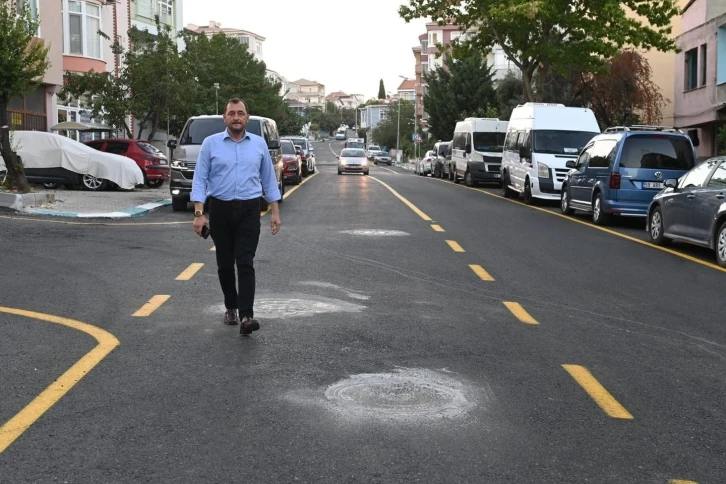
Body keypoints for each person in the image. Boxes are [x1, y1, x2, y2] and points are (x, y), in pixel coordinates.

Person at [191, 98, 282, 336]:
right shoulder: (211, 144)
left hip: (250, 210)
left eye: (240, 113)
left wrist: (275, 211)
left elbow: (269, 179)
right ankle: (230, 306)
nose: (236, 117)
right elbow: (200, 179)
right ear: (225, 118)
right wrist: (199, 214)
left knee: (245, 262)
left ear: (247, 118)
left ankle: (246, 316)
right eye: (231, 113)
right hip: (220, 209)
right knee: (224, 263)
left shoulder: (259, 144)